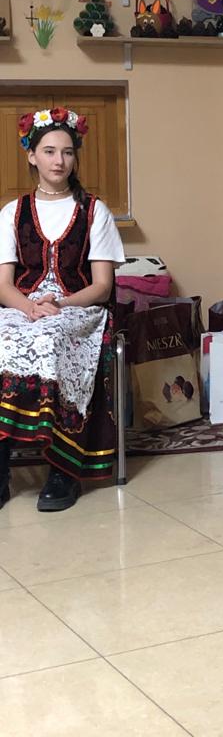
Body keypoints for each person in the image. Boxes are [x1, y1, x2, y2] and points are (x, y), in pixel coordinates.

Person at [0, 107, 125, 512]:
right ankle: (1, 465)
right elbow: (3, 285)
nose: (59, 161)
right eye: (50, 151)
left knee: (51, 338)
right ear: (31, 155)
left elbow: (102, 286)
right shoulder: (12, 213)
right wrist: (29, 307)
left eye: (68, 152)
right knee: (5, 338)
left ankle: (62, 468)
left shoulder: (95, 211)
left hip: (78, 307)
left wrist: (60, 304)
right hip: (23, 306)